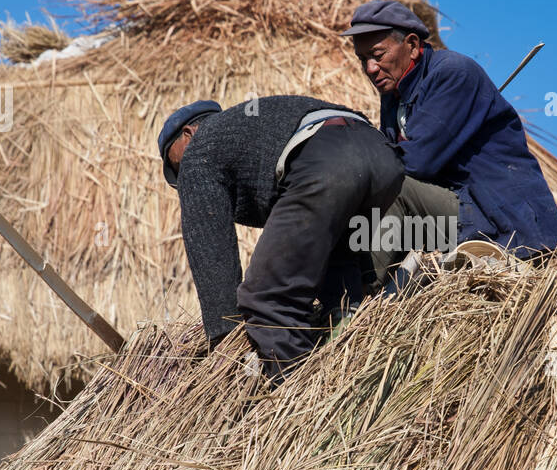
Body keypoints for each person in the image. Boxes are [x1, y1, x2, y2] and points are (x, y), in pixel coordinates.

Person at [159, 96, 404, 383]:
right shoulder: (253, 129)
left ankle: (300, 400)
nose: (181, 174)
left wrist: (225, 339)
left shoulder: (200, 149)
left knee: (267, 298)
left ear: (188, 134)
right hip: (381, 157)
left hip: (327, 162)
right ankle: (352, 366)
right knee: (339, 291)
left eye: (175, 164)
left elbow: (210, 250)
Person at [343, 0, 557, 282]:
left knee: (395, 189)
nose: (370, 68)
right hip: (457, 212)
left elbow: (413, 163)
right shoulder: (392, 97)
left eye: (377, 55)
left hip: (496, 217)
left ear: (412, 45)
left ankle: (355, 298)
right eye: (362, 59)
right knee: (358, 214)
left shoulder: (452, 73)